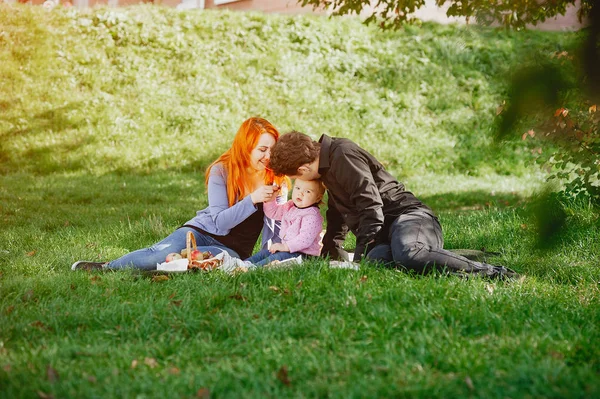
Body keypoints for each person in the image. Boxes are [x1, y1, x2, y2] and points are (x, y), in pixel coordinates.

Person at [268, 131, 519, 279]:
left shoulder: (342, 155)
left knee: (410, 254)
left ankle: (492, 271)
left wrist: (356, 259)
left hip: (410, 217)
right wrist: (329, 253)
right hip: (386, 235)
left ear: (301, 169)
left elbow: (371, 207)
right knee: (379, 264)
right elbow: (337, 213)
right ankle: (456, 256)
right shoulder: (325, 168)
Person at [71, 117, 288, 271]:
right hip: (201, 231)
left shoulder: (277, 181)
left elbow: (275, 232)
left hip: (234, 250)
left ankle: (166, 267)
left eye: (273, 150)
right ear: (245, 148)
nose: (269, 156)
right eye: (262, 150)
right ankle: (108, 267)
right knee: (159, 254)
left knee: (201, 260)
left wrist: (268, 258)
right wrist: (252, 199)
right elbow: (221, 223)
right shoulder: (221, 170)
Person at [240, 178, 325, 268]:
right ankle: (241, 264)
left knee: (278, 257)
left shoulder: (312, 215)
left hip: (303, 255)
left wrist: (285, 246)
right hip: (288, 250)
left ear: (317, 198)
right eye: (298, 188)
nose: (300, 193)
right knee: (265, 253)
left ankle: (252, 269)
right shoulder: (290, 206)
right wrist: (271, 199)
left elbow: (304, 240)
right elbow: (274, 213)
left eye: (308, 191)